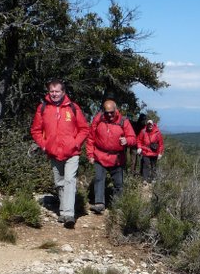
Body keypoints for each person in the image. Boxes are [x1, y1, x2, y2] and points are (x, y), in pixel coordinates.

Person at [30, 78, 89, 228]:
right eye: (52, 91)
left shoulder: (73, 107)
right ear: (49, 92)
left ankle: (69, 214)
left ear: (63, 92)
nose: (54, 94)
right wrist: (44, 145)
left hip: (72, 152)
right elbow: (36, 130)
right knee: (59, 182)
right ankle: (63, 211)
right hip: (53, 152)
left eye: (57, 91)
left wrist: (76, 143)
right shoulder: (43, 108)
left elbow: (84, 129)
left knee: (70, 180)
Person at [87, 99, 136, 213]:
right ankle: (99, 203)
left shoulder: (124, 121)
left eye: (111, 112)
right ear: (103, 110)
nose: (109, 115)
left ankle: (117, 205)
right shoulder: (98, 119)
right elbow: (91, 138)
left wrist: (127, 140)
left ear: (116, 110)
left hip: (117, 158)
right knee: (99, 179)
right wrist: (90, 154)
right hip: (100, 155)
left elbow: (133, 139)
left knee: (118, 183)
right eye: (106, 112)